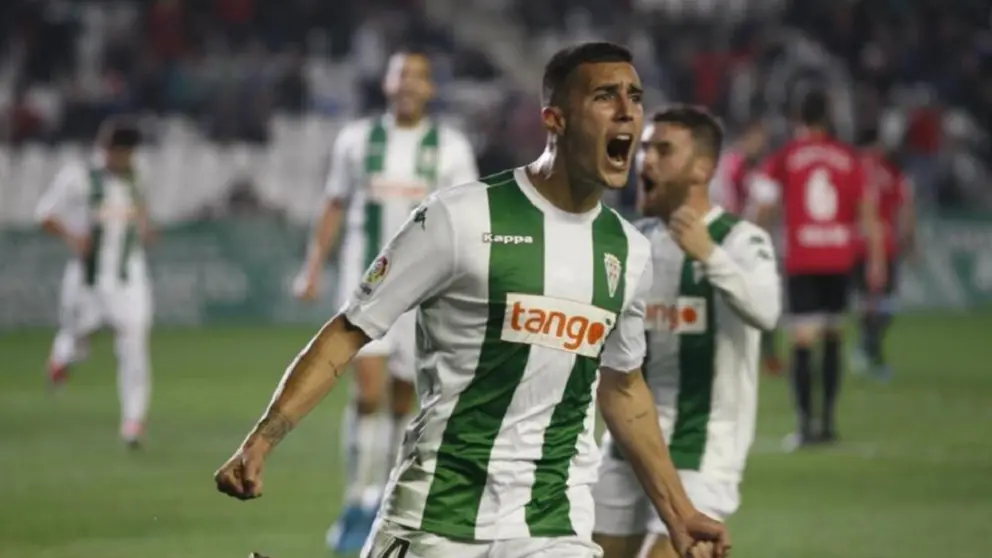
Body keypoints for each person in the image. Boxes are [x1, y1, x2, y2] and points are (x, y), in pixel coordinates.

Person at [215, 42, 730, 558]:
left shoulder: (629, 252)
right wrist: (263, 438)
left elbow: (623, 387)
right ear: (556, 119)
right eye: (604, 96)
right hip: (436, 520)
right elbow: (350, 330)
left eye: (635, 97)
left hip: (553, 524)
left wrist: (678, 512)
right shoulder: (459, 219)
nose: (627, 111)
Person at [292, 50, 479, 552]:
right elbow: (334, 203)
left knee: (403, 397)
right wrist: (313, 268)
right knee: (367, 392)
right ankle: (355, 497)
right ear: (387, 83)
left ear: (430, 88)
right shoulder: (356, 141)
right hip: (366, 285)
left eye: (418, 76)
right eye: (401, 74)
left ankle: (385, 495)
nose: (408, 84)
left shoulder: (451, 147)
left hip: (423, 293)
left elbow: (465, 219)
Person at [592, 106, 781, 558]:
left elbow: (767, 311)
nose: (645, 160)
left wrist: (709, 256)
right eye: (646, 148)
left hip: (705, 445)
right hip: (628, 443)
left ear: (702, 168)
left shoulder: (741, 240)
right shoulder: (631, 242)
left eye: (663, 150)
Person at [751, 90, 885, 449]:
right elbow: (867, 210)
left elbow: (764, 203)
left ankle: (804, 426)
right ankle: (827, 424)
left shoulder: (787, 156)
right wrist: (875, 259)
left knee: (802, 340)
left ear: (798, 119)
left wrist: (752, 238)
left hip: (803, 258)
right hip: (839, 258)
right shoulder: (848, 158)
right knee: (833, 336)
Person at [36, 117, 154, 448]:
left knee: (134, 343)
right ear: (107, 149)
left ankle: (133, 422)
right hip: (88, 279)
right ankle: (62, 358)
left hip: (129, 278)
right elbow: (44, 213)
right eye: (122, 152)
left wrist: (145, 229)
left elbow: (141, 210)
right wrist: (74, 238)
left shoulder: (137, 177)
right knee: (80, 341)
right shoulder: (78, 178)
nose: (126, 158)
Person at [710, 118, 783, 376]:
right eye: (758, 138)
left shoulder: (740, 165)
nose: (762, 144)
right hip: (735, 243)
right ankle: (756, 358)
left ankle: (764, 357)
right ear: (748, 136)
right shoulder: (737, 165)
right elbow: (740, 204)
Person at [851, 127, 916, 381]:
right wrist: (910, 241)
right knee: (884, 302)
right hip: (882, 245)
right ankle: (869, 349)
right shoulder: (893, 171)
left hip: (860, 244)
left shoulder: (855, 167)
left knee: (868, 301)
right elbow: (906, 209)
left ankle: (866, 348)